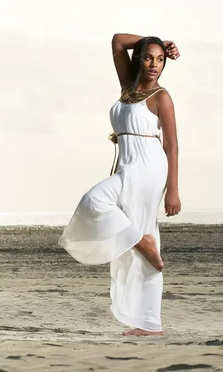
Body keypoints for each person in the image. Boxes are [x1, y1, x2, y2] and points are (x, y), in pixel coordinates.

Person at [58, 33, 181, 336]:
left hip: (149, 167)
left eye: (161, 59)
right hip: (127, 165)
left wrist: (173, 189)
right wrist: (160, 41)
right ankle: (142, 247)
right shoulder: (128, 87)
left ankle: (150, 322)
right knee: (95, 204)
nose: (155, 65)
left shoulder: (161, 97)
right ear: (139, 58)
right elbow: (116, 41)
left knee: (103, 207)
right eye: (149, 57)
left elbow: (173, 145)